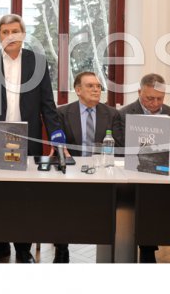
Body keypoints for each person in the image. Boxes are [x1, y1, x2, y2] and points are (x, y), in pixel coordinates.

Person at [0, 13, 64, 264]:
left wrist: (57, 138)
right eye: (5, 32)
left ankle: (23, 249)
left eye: (15, 31)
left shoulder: (37, 62)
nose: (10, 36)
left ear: (23, 34)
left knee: (25, 197)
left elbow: (48, 106)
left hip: (27, 141)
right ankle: (0, 247)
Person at [119, 73, 170, 263]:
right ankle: (147, 248)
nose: (155, 103)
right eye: (150, 98)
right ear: (139, 92)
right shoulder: (124, 114)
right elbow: (119, 149)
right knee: (145, 196)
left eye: (160, 98)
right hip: (136, 174)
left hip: (169, 174)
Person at [53, 71, 123, 263]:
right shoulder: (62, 113)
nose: (96, 90)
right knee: (60, 202)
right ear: (78, 90)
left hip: (102, 172)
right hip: (72, 172)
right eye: (90, 86)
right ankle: (61, 248)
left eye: (98, 86)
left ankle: (109, 247)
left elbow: (119, 147)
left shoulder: (112, 114)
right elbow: (58, 145)